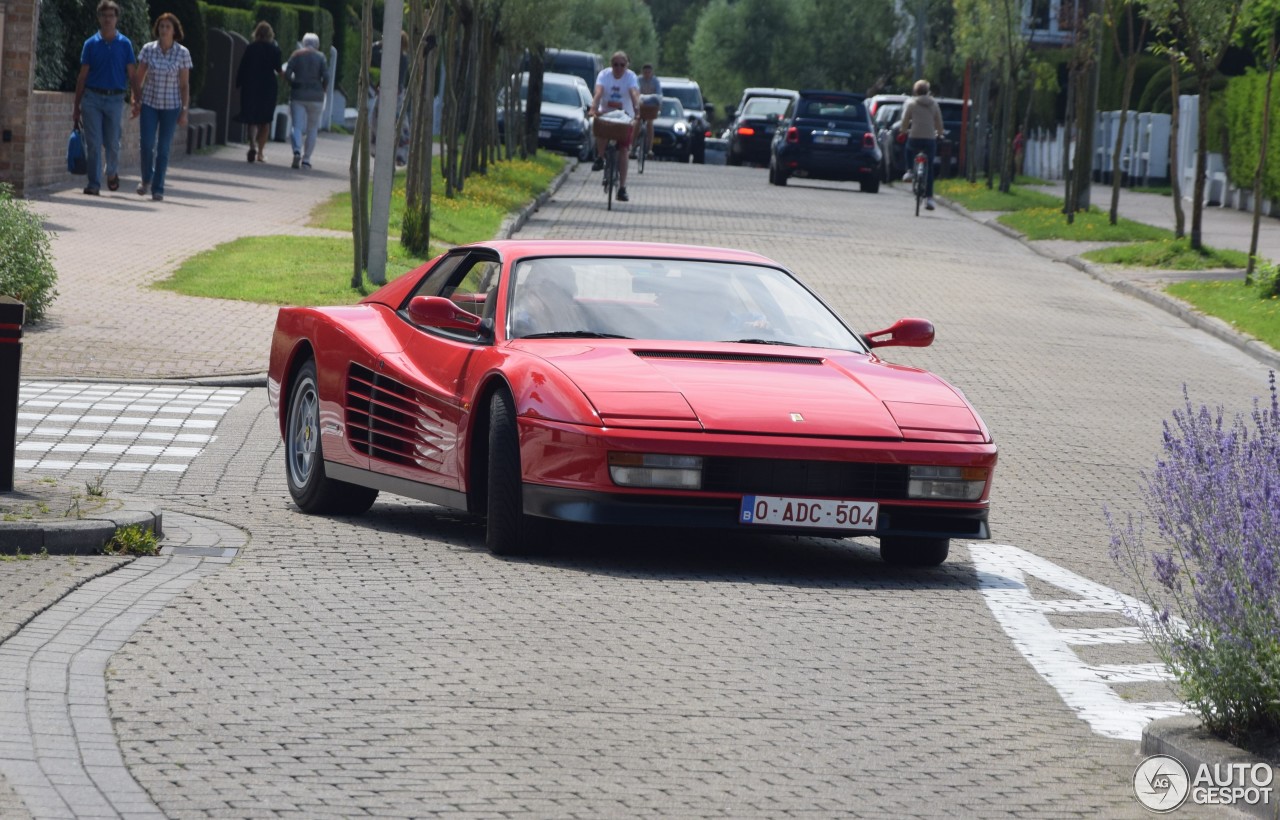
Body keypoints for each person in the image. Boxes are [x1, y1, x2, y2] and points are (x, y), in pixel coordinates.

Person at [72, 0, 137, 196]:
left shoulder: (124, 44)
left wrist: (137, 99)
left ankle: (112, 172)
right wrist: (77, 106)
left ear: (117, 18)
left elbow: (132, 75)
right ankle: (94, 183)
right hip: (92, 98)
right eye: (104, 16)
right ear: (99, 18)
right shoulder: (90, 44)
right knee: (93, 142)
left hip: (115, 99)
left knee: (113, 142)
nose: (108, 19)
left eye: (111, 16)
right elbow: (82, 76)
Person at [132, 12, 191, 201]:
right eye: (161, 26)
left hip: (171, 106)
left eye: (167, 27)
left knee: (163, 148)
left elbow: (184, 85)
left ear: (174, 31)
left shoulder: (182, 53)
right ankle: (146, 179)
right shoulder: (149, 49)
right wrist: (136, 100)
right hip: (150, 103)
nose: (164, 30)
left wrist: (184, 110)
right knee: (147, 144)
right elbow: (138, 78)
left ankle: (158, 188)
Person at [589, 51, 641, 202]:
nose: (618, 68)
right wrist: (594, 108)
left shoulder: (630, 77)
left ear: (627, 66)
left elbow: (633, 94)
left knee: (624, 149)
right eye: (615, 65)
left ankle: (622, 188)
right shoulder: (604, 75)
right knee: (601, 127)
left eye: (622, 65)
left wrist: (637, 111)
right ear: (611, 65)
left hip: (625, 115)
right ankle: (600, 157)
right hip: (606, 113)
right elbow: (598, 93)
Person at [236, 21, 283, 163]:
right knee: (265, 121)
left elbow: (243, 67)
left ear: (256, 33)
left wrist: (238, 83)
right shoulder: (275, 50)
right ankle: (261, 153)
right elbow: (279, 70)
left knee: (252, 119)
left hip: (251, 86)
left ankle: (252, 145)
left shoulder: (250, 48)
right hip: (268, 87)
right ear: (270, 34)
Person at [900, 79, 945, 210]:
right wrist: (940, 133)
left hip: (914, 136)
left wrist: (903, 130)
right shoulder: (934, 104)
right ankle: (929, 199)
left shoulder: (912, 103)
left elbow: (905, 119)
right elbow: (939, 121)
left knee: (908, 148)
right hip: (930, 138)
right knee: (929, 167)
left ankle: (909, 171)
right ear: (928, 91)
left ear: (916, 91)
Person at [285, 33, 327, 170]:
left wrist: (293, 84)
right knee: (312, 128)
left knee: (296, 125)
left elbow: (287, 73)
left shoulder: (296, 55)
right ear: (317, 44)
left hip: (298, 95)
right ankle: (307, 159)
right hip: (316, 96)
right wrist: (323, 89)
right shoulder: (321, 57)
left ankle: (297, 150)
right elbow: (326, 76)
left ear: (303, 43)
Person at [630, 63, 662, 160]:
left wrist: (659, 105)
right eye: (645, 72)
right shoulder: (638, 80)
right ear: (642, 72)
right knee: (637, 122)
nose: (647, 74)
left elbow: (659, 94)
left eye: (649, 72)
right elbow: (635, 91)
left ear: (652, 73)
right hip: (640, 105)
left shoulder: (655, 81)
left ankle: (649, 149)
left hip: (650, 107)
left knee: (650, 123)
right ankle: (632, 147)